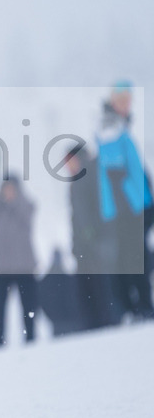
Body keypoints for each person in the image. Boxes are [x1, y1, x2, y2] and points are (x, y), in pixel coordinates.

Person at [95, 81, 153, 321]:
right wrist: (138, 202)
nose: (126, 104)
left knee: (136, 254)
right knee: (133, 255)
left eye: (128, 100)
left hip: (136, 201)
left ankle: (137, 306)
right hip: (128, 206)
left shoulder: (121, 125)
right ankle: (139, 307)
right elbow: (116, 171)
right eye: (122, 100)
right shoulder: (110, 127)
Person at [61, 143, 116, 329]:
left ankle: (102, 322)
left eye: (68, 160)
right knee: (91, 286)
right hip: (86, 243)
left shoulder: (86, 175)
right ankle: (96, 323)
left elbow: (90, 212)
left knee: (97, 287)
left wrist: (91, 236)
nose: (67, 166)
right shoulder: (84, 175)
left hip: (93, 243)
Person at [0, 176, 39, 346]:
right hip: (2, 266)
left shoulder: (26, 205)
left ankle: (30, 336)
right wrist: (0, 198)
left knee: (28, 305)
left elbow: (27, 214)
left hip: (24, 266)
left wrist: (13, 201)